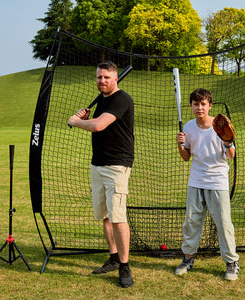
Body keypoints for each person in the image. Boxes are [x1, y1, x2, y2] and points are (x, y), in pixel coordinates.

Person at [68, 61, 134, 288]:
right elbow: (95, 123)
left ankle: (125, 267)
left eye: (106, 77)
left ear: (116, 78)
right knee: (105, 216)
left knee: (118, 217)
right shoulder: (104, 100)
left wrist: (76, 122)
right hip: (97, 165)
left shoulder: (121, 99)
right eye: (99, 77)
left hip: (117, 165)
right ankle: (114, 258)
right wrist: (85, 120)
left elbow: (99, 126)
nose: (102, 81)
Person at [175, 88, 240, 281]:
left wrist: (228, 142)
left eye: (203, 104)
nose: (199, 108)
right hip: (196, 180)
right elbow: (186, 157)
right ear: (191, 106)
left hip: (217, 181)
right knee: (192, 222)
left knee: (223, 224)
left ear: (210, 105)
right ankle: (187, 259)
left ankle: (231, 263)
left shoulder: (219, 126)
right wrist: (180, 145)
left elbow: (230, 156)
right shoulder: (188, 126)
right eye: (196, 104)